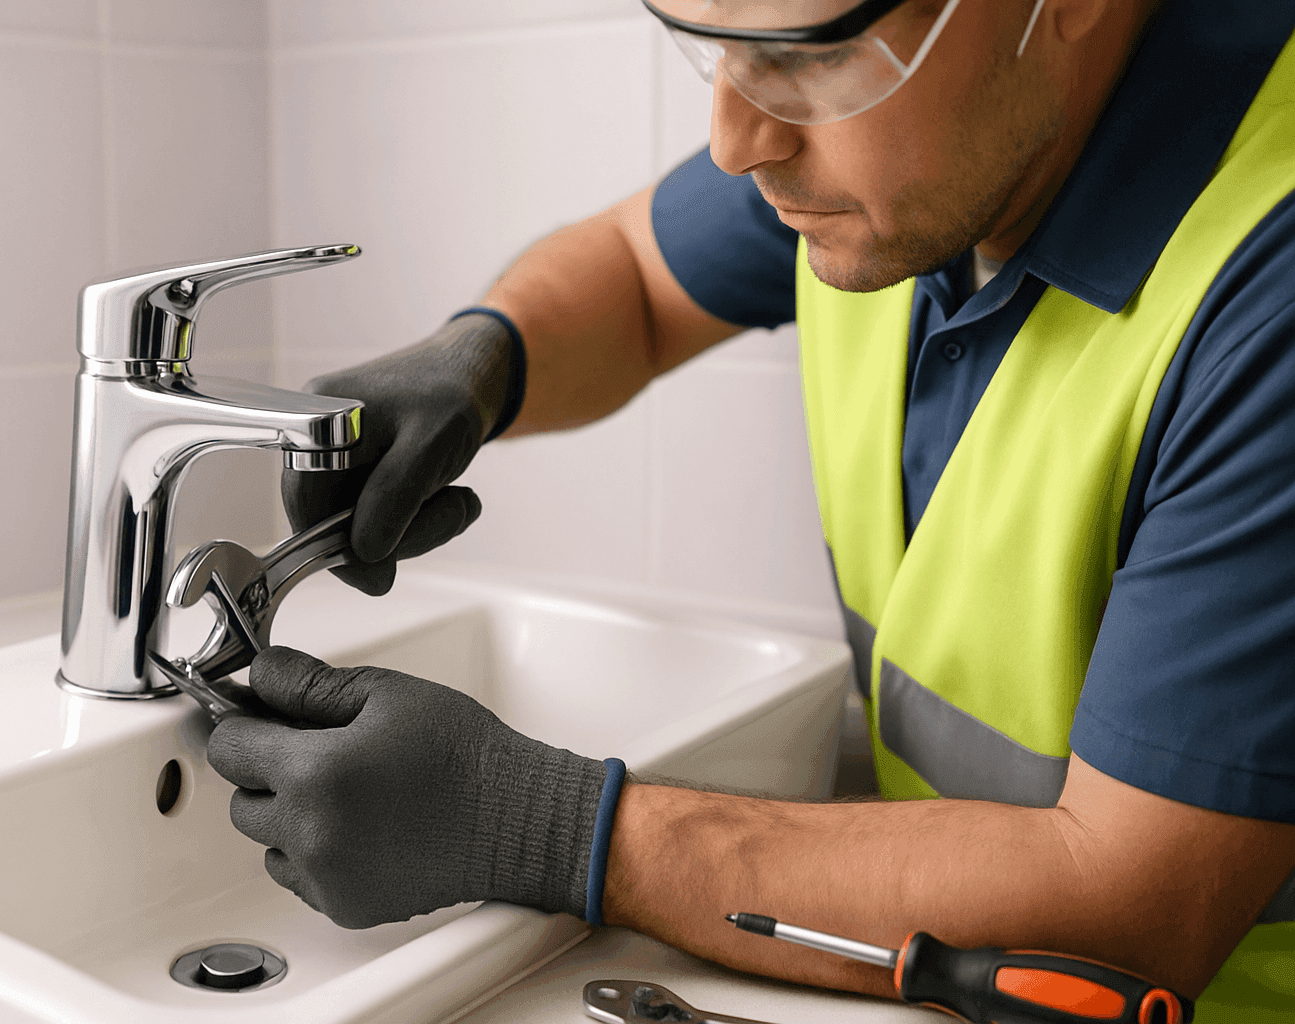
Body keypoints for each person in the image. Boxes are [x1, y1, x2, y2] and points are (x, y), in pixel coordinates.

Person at [204, 0, 1295, 1019]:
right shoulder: (932, 140)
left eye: (811, 55)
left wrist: (542, 827)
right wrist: (487, 356)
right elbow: (634, 272)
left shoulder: (1267, 283)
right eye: (711, 40)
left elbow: (1132, 903)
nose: (735, 138)